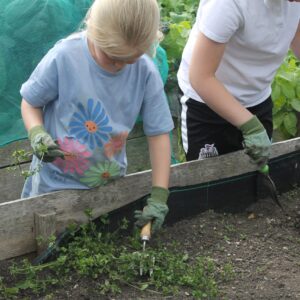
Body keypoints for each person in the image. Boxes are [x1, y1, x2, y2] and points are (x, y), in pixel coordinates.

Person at [20, 0, 174, 232]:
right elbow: (30, 102)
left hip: (108, 186)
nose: (119, 65)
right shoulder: (65, 56)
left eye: (128, 59)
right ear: (93, 29)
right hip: (51, 188)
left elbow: (159, 133)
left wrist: (159, 195)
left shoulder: (145, 70)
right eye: (112, 56)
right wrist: (37, 134)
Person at [177, 0, 300, 166]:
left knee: (256, 174)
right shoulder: (227, 3)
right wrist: (251, 127)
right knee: (209, 179)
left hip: (257, 96)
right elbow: (201, 77)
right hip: (207, 103)